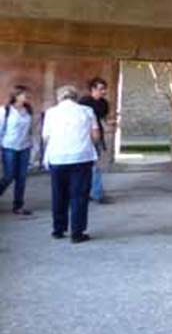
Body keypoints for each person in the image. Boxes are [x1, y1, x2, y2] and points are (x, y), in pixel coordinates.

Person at [42, 85, 99, 244]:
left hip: (58, 158)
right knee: (79, 195)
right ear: (76, 97)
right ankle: (77, 232)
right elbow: (95, 134)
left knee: (58, 194)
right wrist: (87, 145)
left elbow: (46, 137)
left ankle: (58, 229)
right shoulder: (87, 111)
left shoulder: (51, 113)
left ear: (59, 97)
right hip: (81, 157)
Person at [0, 85, 35, 215]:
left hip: (24, 147)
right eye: (24, 95)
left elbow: (31, 131)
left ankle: (18, 205)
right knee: (9, 176)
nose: (27, 97)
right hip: (9, 147)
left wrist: (33, 146)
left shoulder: (28, 110)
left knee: (22, 177)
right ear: (16, 96)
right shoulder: (5, 111)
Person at [79, 77, 112, 204]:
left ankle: (94, 193)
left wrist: (110, 123)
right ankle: (94, 193)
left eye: (104, 89)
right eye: (101, 89)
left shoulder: (104, 103)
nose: (104, 91)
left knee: (93, 166)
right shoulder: (84, 102)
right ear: (93, 89)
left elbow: (104, 119)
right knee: (89, 167)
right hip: (84, 137)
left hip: (97, 136)